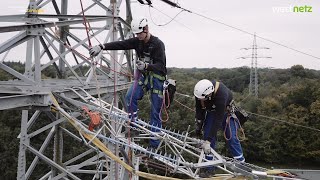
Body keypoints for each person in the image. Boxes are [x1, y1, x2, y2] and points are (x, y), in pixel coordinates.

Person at [89, 17, 167, 148]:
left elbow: (161, 66)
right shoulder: (138, 42)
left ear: (146, 29)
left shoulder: (158, 44)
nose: (138, 36)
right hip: (144, 76)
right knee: (130, 97)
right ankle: (133, 126)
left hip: (156, 79)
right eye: (136, 34)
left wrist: (147, 66)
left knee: (155, 112)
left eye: (140, 33)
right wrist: (102, 46)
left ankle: (154, 145)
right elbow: (121, 44)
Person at [194, 79, 245, 177]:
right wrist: (198, 126)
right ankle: (209, 168)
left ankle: (241, 165)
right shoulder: (200, 93)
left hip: (225, 111)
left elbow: (218, 120)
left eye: (202, 99)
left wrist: (208, 141)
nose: (200, 100)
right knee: (207, 135)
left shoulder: (222, 95)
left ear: (209, 94)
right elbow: (199, 110)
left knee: (231, 137)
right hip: (212, 111)